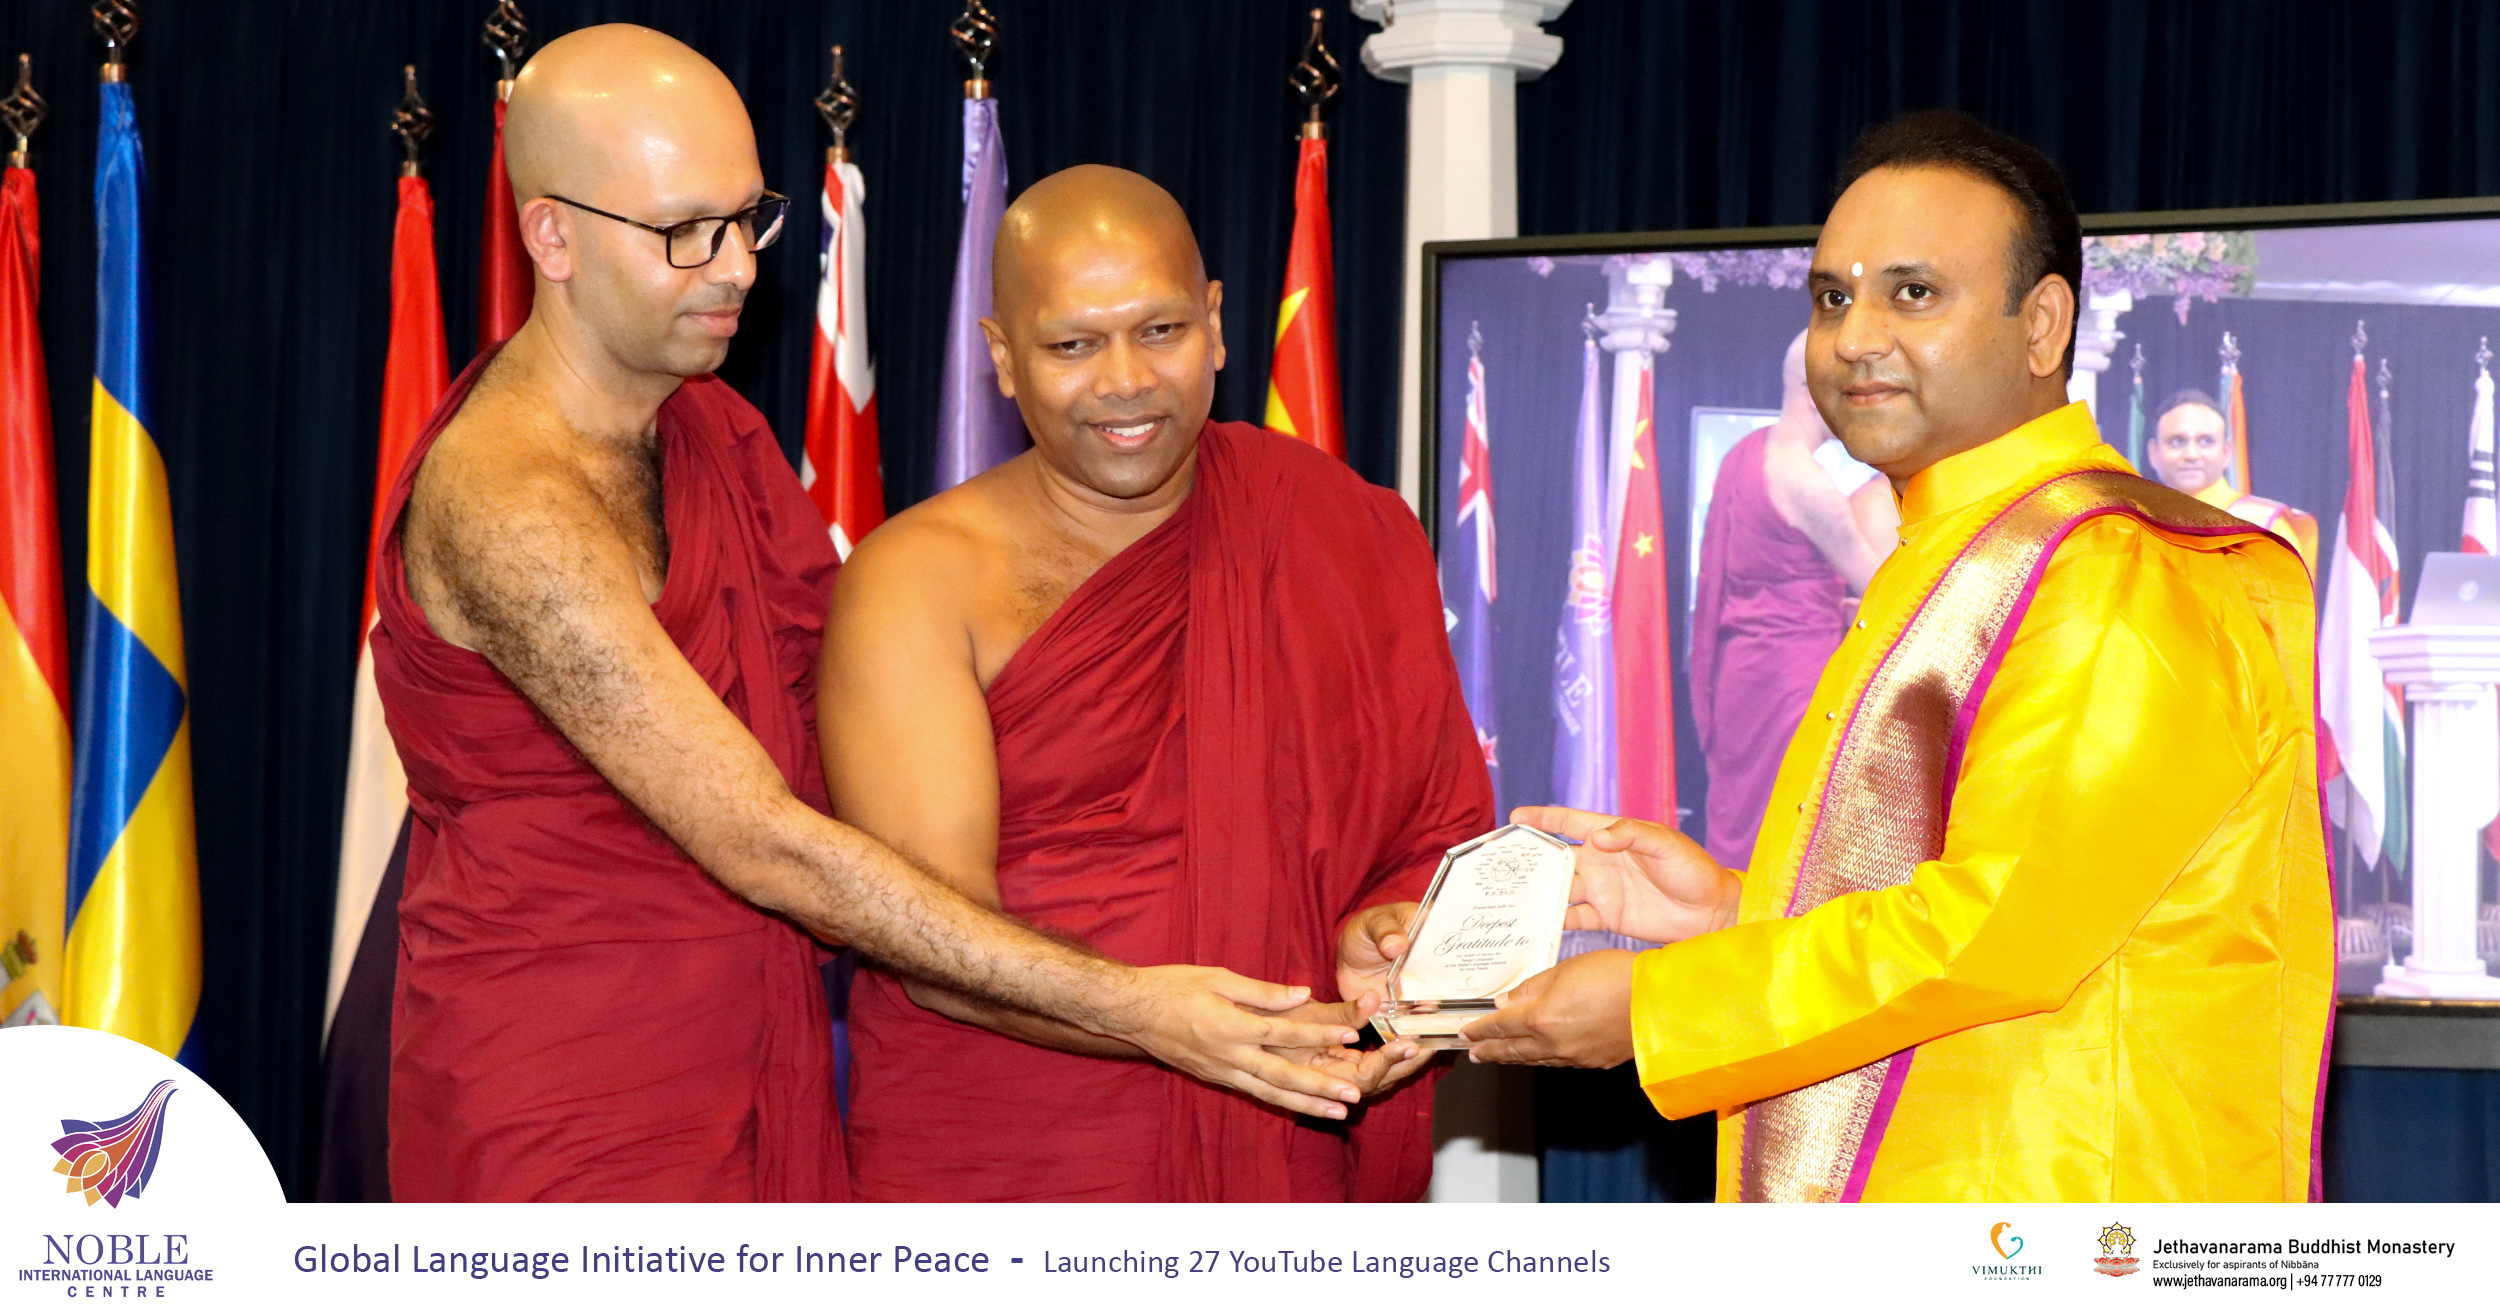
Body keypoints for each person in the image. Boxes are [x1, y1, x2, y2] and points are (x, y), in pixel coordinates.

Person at [372, 28, 1372, 1203]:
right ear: (551, 236)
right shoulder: (509, 505)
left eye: (748, 218)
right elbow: (761, 837)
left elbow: (840, 719)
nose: (737, 268)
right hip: (565, 1083)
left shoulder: (708, 427)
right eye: (686, 231)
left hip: (762, 1042)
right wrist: (1137, 1003)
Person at [1466, 109, 2333, 1202]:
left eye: (1912, 293)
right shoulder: (1952, 547)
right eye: (1832, 297)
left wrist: (1659, 1007)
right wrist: (1731, 910)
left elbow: (2001, 923)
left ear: (2043, 325)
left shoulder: (2118, 568)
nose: (1854, 337)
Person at [820, 165, 1491, 1201]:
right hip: (1016, 1159)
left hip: (1289, 1127)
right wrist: (1147, 1014)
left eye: (1161, 330)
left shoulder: (1347, 532)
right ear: (1002, 356)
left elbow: (1428, 839)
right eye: (1073, 345)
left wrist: (1389, 943)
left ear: (1216, 324)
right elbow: (928, 938)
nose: (1125, 379)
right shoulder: (918, 580)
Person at [1691, 330, 1897, 869]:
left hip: (1741, 675)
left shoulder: (1745, 454)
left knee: (1743, 821)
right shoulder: (1807, 483)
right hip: (1792, 681)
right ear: (1813, 392)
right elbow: (1882, 586)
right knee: (1784, 833)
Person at [2144, 388, 2321, 573]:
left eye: (2205, 441)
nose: (2191, 454)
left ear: (2226, 453)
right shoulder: (2133, 527)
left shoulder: (2262, 527)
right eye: (2177, 442)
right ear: (2154, 453)